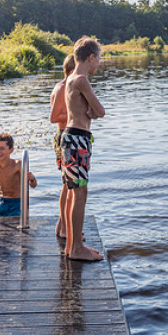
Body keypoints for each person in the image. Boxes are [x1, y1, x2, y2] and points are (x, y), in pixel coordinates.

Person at [62, 36, 105, 261]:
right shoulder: (82, 80)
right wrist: (92, 110)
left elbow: (91, 110)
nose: (99, 63)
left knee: (75, 193)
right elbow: (100, 111)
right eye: (99, 58)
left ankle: (71, 245)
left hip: (72, 137)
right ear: (91, 57)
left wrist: (90, 110)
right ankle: (77, 248)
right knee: (79, 194)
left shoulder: (70, 78)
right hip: (77, 139)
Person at [50, 53, 75, 238]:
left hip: (70, 138)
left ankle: (61, 227)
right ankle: (65, 229)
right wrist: (77, 116)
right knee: (68, 185)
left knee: (69, 185)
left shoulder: (70, 87)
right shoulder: (61, 88)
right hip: (64, 138)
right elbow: (53, 117)